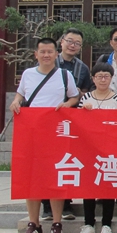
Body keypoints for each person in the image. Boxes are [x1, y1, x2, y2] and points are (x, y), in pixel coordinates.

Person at [10, 38, 80, 233]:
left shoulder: (65, 75)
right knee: (31, 178)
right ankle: (34, 224)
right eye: (43, 52)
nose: (46, 55)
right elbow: (20, 95)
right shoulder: (28, 74)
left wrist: (67, 105)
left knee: (55, 177)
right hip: (31, 133)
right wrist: (15, 102)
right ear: (36, 54)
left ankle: (57, 223)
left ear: (56, 54)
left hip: (56, 134)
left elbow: (74, 97)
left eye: (50, 52)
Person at [41, 27, 89, 221]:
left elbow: (85, 93)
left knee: (66, 161)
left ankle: (66, 204)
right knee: (46, 163)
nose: (72, 45)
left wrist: (76, 93)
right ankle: (46, 206)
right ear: (61, 42)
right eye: (69, 41)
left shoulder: (82, 68)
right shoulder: (49, 62)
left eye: (77, 43)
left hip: (69, 123)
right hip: (47, 121)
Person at [75, 62, 117, 233]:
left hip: (110, 149)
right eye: (99, 76)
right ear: (93, 79)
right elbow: (80, 124)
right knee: (89, 187)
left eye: (106, 76)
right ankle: (88, 224)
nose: (103, 80)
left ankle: (106, 224)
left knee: (108, 186)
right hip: (89, 149)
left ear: (112, 78)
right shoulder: (86, 99)